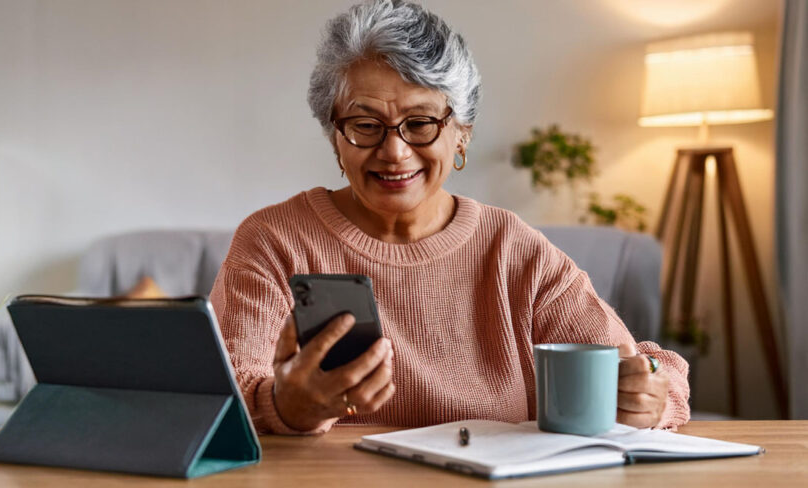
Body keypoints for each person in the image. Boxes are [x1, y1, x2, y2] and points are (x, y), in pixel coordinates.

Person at [209, 0, 689, 435]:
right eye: (365, 125)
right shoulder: (275, 240)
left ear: (461, 134)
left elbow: (647, 368)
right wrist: (282, 405)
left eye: (420, 123)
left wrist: (650, 397)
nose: (394, 152)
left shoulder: (512, 248)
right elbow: (221, 397)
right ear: (335, 136)